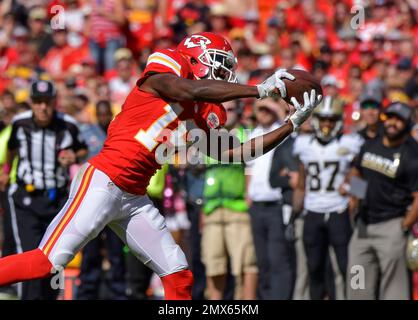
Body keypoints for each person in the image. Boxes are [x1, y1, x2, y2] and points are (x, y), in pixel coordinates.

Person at [0, 32, 321, 300]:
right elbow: (189, 90)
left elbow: (237, 153)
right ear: (197, 57)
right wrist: (260, 90)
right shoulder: (169, 64)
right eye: (221, 66)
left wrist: (290, 125)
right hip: (103, 180)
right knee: (46, 263)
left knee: (179, 274)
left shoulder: (207, 111)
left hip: (135, 198)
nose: (225, 75)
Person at [0, 80, 88, 299]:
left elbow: (83, 149)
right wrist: (6, 170)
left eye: (47, 102)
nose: (42, 107)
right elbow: (11, 149)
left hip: (57, 200)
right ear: (31, 102)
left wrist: (73, 157)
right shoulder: (20, 123)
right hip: (25, 200)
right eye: (38, 102)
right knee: (29, 254)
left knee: (54, 258)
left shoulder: (67, 125)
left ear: (54, 102)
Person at [292, 96, 363, 300]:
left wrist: (352, 191)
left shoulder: (351, 144)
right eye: (323, 119)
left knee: (346, 265)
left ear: (339, 121)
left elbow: (364, 179)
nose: (326, 124)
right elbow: (301, 182)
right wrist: (293, 214)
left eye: (331, 120)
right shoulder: (303, 145)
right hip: (312, 212)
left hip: (338, 211)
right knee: (313, 268)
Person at [346, 102, 418, 300]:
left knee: (394, 292)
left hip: (391, 226)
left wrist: (403, 226)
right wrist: (355, 195)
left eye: (399, 119)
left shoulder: (412, 155)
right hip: (363, 226)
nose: (392, 123)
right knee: (357, 286)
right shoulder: (372, 143)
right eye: (390, 117)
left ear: (407, 123)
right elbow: (357, 170)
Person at [201, 99, 257, 300]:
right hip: (212, 208)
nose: (226, 113)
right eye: (223, 108)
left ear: (240, 111)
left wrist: (249, 196)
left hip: (238, 208)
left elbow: (252, 169)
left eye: (231, 109)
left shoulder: (246, 135)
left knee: (245, 265)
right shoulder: (209, 137)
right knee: (213, 265)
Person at [76, 100, 127, 300]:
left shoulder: (119, 133)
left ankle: (118, 294)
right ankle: (86, 294)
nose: (104, 117)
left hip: (114, 200)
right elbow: (79, 154)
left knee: (116, 252)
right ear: (96, 114)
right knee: (90, 251)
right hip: (91, 201)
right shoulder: (86, 133)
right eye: (101, 113)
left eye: (107, 113)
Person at [247, 98, 295, 300]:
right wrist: (247, 196)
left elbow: (294, 131)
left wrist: (275, 107)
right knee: (263, 261)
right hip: (257, 206)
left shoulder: (281, 131)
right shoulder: (253, 134)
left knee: (278, 259)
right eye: (261, 108)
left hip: (277, 204)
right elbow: (248, 170)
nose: (264, 112)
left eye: (268, 108)